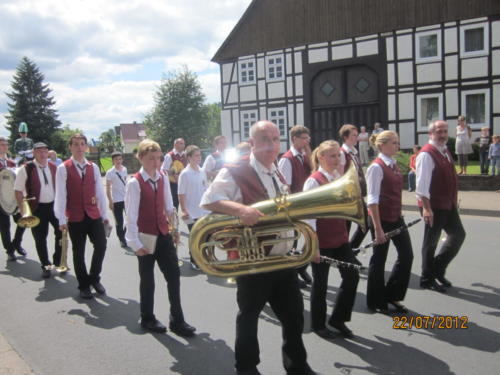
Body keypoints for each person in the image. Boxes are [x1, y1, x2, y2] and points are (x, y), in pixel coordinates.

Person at [201, 121, 316, 375]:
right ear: (252, 143)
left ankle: (297, 365)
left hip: (282, 258)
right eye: (265, 140)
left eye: (276, 139)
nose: (272, 145)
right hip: (253, 262)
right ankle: (246, 368)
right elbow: (209, 200)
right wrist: (241, 210)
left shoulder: (275, 168)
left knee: (294, 316)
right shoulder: (235, 169)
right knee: (249, 317)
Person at [125, 139, 196, 337]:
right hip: (145, 237)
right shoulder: (134, 183)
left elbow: (168, 207)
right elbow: (131, 216)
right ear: (140, 158)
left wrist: (173, 230)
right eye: (151, 159)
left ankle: (177, 320)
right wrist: (134, 244)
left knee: (174, 277)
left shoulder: (163, 176)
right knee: (147, 280)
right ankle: (147, 318)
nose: (156, 163)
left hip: (163, 234)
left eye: (158, 158)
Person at [305, 140, 359, 339]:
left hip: (340, 237)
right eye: (332, 156)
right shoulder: (313, 181)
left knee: (352, 275)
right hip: (322, 240)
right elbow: (309, 217)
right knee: (320, 283)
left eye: (338, 155)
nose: (337, 159)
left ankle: (338, 319)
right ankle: (318, 325)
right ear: (321, 157)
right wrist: (314, 246)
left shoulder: (338, 176)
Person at [54, 133, 109, 299]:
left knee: (101, 245)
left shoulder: (93, 167)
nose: (79, 147)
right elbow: (61, 195)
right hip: (75, 216)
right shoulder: (63, 168)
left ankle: (94, 278)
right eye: (75, 144)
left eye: (82, 144)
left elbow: (99, 191)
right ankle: (84, 285)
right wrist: (61, 219)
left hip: (93, 214)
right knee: (79, 252)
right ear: (70, 147)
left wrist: (104, 214)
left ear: (86, 147)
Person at [366, 131, 414, 313]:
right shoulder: (376, 167)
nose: (397, 146)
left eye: (397, 142)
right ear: (382, 145)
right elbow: (372, 200)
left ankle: (392, 295)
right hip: (381, 220)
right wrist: (378, 229)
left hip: (396, 218)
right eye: (394, 142)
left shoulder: (393, 164)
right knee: (379, 259)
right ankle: (376, 301)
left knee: (407, 255)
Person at [416, 120, 466, 292]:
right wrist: (427, 208)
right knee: (431, 243)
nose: (443, 135)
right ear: (431, 134)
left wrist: (454, 200)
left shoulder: (445, 151)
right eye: (439, 131)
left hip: (448, 203)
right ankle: (426, 278)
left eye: (445, 131)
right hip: (433, 205)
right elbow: (422, 186)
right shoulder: (426, 155)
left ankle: (437, 269)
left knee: (458, 234)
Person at [14, 142, 62, 278]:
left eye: (45, 151)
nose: (42, 154)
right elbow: (17, 190)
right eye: (39, 151)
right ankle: (46, 266)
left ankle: (58, 261)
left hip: (54, 207)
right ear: (34, 153)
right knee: (40, 239)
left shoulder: (53, 167)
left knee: (61, 234)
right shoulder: (27, 168)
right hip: (36, 208)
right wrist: (23, 211)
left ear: (48, 153)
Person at [278, 125, 313, 287]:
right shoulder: (287, 159)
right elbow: (286, 187)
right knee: (292, 242)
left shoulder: (304, 155)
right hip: (295, 207)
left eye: (308, 137)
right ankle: (292, 274)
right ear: (294, 139)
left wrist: (309, 151)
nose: (308, 141)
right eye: (304, 138)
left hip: (305, 204)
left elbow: (314, 169)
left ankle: (301, 266)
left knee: (309, 240)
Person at [178, 145, 209, 270]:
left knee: (204, 237)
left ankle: (204, 259)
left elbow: (205, 189)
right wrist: (184, 210)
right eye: (196, 155)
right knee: (194, 237)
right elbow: (181, 194)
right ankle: (194, 260)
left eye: (199, 155)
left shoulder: (202, 171)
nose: (199, 158)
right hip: (191, 212)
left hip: (203, 211)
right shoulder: (185, 174)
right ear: (189, 157)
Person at [339, 124, 368, 250]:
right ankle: (346, 253)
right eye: (354, 136)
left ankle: (350, 250)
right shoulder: (342, 153)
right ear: (345, 137)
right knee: (346, 227)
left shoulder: (354, 152)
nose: (357, 138)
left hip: (357, 194)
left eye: (357, 135)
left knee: (366, 223)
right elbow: (340, 175)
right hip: (348, 195)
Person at [0, 137, 27, 261]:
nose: (5, 147)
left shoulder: (11, 162)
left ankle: (16, 243)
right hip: (1, 199)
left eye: (6, 144)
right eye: (2, 145)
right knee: (4, 226)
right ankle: (9, 249)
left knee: (23, 221)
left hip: (14, 198)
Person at [105, 151, 128, 249]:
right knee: (119, 221)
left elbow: (125, 182)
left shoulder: (125, 169)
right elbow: (108, 188)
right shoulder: (110, 172)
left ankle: (125, 235)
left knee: (130, 219)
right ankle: (122, 239)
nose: (118, 161)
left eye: (119, 159)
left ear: (122, 159)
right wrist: (110, 201)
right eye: (116, 159)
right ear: (113, 161)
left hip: (126, 199)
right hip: (116, 200)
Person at [161, 138, 186, 209]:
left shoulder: (185, 155)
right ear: (175, 144)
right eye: (181, 143)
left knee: (185, 201)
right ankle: (174, 219)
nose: (183, 145)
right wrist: (174, 174)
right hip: (172, 184)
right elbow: (163, 170)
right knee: (174, 203)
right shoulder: (169, 156)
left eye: (183, 143)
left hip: (183, 182)